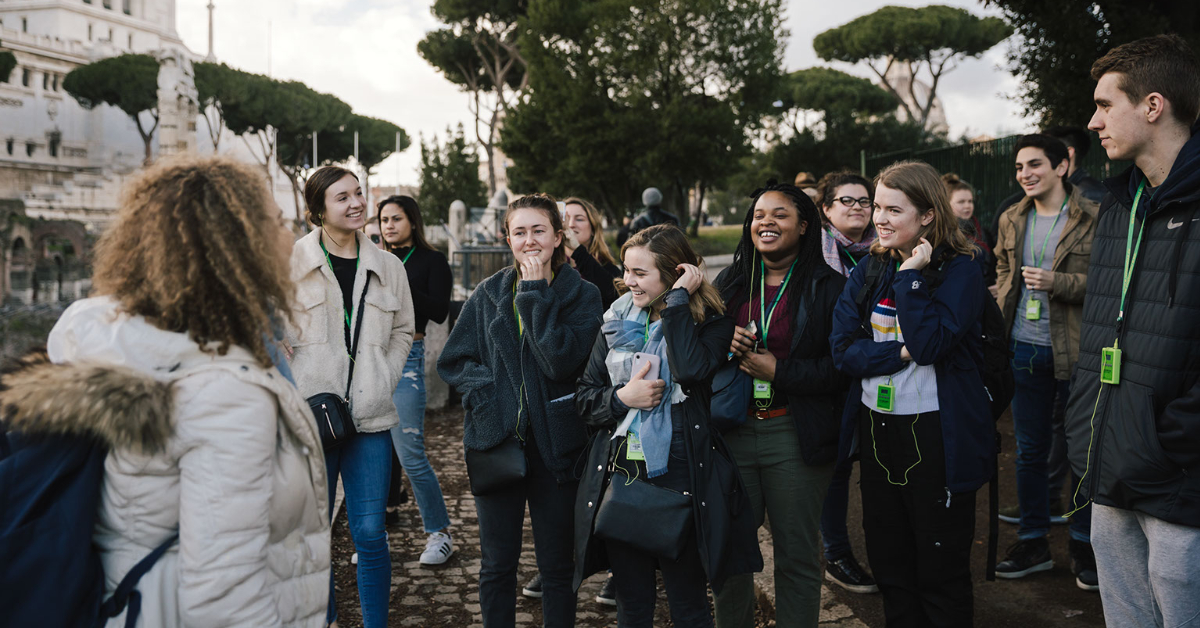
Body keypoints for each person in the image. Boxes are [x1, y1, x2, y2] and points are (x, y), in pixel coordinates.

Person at [4, 155, 330, 626]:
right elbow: (226, 602)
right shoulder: (226, 395)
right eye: (277, 221)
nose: (289, 233)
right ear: (239, 246)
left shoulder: (107, 341)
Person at [1067, 34, 1200, 626]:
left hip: (1179, 473)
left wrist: (1174, 438)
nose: (1093, 122)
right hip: (1109, 459)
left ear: (1152, 105)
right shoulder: (1118, 205)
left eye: (1104, 104)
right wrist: (1085, 423)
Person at [574, 224, 761, 628]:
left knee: (689, 605)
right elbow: (586, 398)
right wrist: (624, 398)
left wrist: (677, 303)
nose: (628, 281)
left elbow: (690, 370)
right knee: (633, 605)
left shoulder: (711, 324)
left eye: (641, 273)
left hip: (683, 480)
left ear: (675, 274)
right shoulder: (615, 322)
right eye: (626, 270)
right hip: (625, 476)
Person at [830, 160, 991, 628]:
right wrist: (898, 355)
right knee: (890, 561)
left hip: (937, 433)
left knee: (940, 568)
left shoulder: (961, 270)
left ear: (927, 215)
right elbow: (842, 351)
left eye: (892, 209)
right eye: (876, 206)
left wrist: (912, 277)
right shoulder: (869, 269)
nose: (878, 218)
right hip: (878, 429)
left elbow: (931, 344)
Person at [438, 193, 602, 628]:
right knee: (496, 565)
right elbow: (454, 360)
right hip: (496, 443)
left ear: (557, 235)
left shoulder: (583, 295)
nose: (529, 241)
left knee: (556, 568)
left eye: (539, 230)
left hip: (558, 447)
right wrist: (488, 397)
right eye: (519, 232)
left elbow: (561, 362)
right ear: (505, 237)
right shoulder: (488, 293)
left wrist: (533, 293)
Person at [710, 183, 849, 627]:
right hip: (730, 434)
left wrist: (780, 372)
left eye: (780, 215)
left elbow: (843, 369)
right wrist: (718, 341)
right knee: (730, 555)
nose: (765, 222)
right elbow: (691, 354)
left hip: (794, 433)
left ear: (804, 226)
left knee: (797, 556)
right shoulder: (729, 283)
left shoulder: (831, 287)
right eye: (758, 215)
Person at [288, 166, 415, 628]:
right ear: (318, 210)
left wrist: (386, 374)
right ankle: (325, 620)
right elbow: (274, 337)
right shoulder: (292, 266)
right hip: (312, 419)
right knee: (315, 534)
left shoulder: (389, 266)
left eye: (359, 193)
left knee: (370, 532)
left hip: (369, 418)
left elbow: (404, 331)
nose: (357, 203)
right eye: (342, 197)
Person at [991, 134, 1099, 590]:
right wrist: (1001, 294)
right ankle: (1033, 541)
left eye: (1034, 164)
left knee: (1082, 452)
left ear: (1062, 166)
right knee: (1030, 452)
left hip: (1075, 353)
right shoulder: (1011, 217)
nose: (1024, 174)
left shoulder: (1094, 216)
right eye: (1019, 167)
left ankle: (1083, 545)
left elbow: (1106, 283)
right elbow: (1001, 268)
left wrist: (1060, 282)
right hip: (1023, 349)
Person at [523, 195, 622, 604]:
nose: (572, 223)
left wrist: (538, 288)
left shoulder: (594, 275)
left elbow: (560, 355)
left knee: (594, 499)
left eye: (578, 219)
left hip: (587, 401)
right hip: (540, 418)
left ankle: (609, 565)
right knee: (558, 518)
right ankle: (558, 566)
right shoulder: (503, 285)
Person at [376, 195, 456, 566]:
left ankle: (440, 533)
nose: (389, 225)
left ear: (412, 221)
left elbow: (440, 310)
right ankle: (371, 538)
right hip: (368, 359)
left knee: (410, 453)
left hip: (408, 356)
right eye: (384, 220)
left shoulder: (431, 260)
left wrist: (398, 281)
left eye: (396, 218)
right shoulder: (371, 259)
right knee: (371, 453)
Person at [811, 171, 879, 594]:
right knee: (835, 469)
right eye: (847, 201)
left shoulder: (885, 249)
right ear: (827, 209)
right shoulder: (814, 254)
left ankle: (888, 553)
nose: (858, 208)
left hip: (881, 368)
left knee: (878, 465)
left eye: (864, 201)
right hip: (832, 373)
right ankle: (836, 552)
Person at [564, 196, 621, 308]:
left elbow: (612, 295)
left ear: (593, 229)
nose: (570, 225)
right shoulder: (550, 267)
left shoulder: (609, 269)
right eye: (565, 219)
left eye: (579, 219)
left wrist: (578, 251)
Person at [942, 173, 997, 286]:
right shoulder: (944, 235)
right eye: (961, 202)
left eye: (970, 201)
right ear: (947, 204)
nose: (967, 206)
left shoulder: (984, 232)